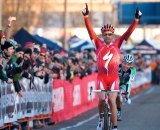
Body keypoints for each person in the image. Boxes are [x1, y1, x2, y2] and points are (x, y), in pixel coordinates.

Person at [82, 3, 142, 130]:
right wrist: (86, 17)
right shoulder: (97, 44)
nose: (108, 36)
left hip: (114, 78)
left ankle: (114, 127)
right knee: (102, 99)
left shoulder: (118, 43)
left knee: (112, 101)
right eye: (105, 34)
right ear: (102, 35)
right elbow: (90, 31)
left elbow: (128, 33)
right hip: (101, 78)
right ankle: (100, 119)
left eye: (110, 34)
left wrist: (136, 20)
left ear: (113, 35)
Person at [116, 54, 136, 121]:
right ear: (122, 62)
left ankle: (119, 111)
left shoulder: (132, 70)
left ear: (131, 65)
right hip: (116, 83)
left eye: (128, 64)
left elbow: (129, 82)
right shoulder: (117, 67)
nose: (126, 66)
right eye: (125, 63)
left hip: (125, 84)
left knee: (119, 95)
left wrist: (127, 95)